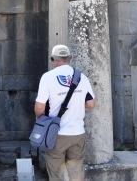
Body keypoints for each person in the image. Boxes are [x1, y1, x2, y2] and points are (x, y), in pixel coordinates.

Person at [34, 44, 95, 181]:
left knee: (57, 172)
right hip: (78, 132)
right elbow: (91, 104)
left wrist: (42, 122)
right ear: (69, 58)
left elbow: (39, 108)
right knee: (76, 171)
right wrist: (76, 105)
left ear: (53, 59)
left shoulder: (48, 77)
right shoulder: (81, 77)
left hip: (56, 134)